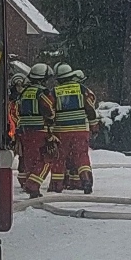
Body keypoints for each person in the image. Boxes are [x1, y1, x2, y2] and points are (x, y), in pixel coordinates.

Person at [50, 60, 94, 195]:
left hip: (61, 131)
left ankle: (56, 185)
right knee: (81, 155)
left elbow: (49, 109)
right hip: (80, 130)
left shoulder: (54, 91)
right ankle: (86, 180)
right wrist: (93, 125)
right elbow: (91, 106)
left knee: (59, 157)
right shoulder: (82, 89)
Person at [16, 62, 55, 199]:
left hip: (24, 131)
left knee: (30, 159)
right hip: (39, 131)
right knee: (46, 159)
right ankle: (33, 185)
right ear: (43, 78)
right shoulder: (42, 93)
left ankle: (29, 185)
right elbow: (49, 110)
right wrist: (52, 119)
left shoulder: (24, 92)